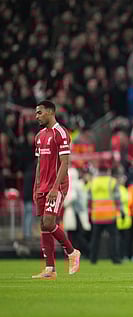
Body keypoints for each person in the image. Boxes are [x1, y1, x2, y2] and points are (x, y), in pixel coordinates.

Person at [32, 100, 81, 280]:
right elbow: (39, 165)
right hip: (42, 186)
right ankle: (50, 270)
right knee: (44, 225)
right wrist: (37, 186)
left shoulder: (61, 133)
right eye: (36, 113)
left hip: (57, 185)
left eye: (40, 112)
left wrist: (54, 188)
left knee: (49, 222)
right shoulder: (39, 136)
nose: (36, 116)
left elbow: (65, 163)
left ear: (51, 112)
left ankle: (72, 252)